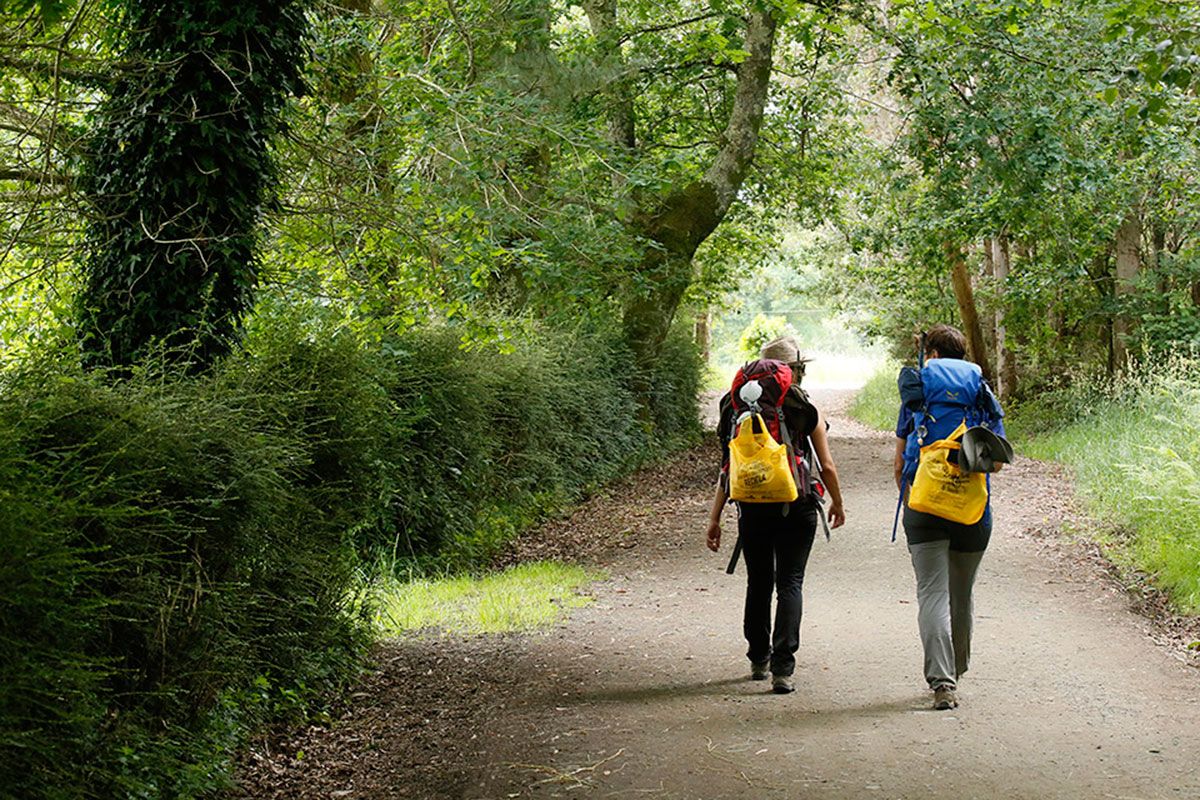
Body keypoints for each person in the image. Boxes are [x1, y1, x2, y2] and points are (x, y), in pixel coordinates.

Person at [705, 336, 846, 694]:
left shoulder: (735, 404)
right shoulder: (803, 404)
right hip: (797, 504)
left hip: (751, 503)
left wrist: (715, 517)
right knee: (790, 582)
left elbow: (729, 465)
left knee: (759, 582)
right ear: (795, 369)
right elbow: (826, 465)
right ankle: (783, 669)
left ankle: (757, 659)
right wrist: (837, 502)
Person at [894, 324, 1005, 711]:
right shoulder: (981, 393)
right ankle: (955, 672)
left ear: (934, 354)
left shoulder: (918, 391)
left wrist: (911, 495)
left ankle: (942, 682)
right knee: (961, 594)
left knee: (932, 593)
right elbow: (998, 461)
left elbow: (899, 462)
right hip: (972, 512)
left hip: (923, 507)